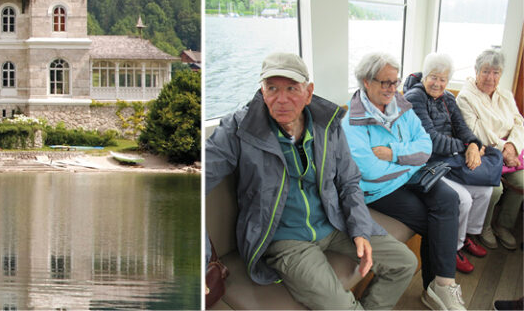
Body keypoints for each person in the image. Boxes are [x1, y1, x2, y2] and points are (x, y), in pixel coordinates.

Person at [206, 51, 416, 310]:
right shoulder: (239, 129)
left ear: (308, 92)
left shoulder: (327, 125)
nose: (281, 99)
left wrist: (360, 228)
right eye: (272, 88)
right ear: (262, 91)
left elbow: (349, 181)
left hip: (333, 221)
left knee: (405, 263)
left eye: (292, 88)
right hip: (286, 239)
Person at [343, 52, 465, 311]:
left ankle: (441, 285)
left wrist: (393, 153)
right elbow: (370, 171)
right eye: (384, 82)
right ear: (366, 81)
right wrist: (409, 159)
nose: (391, 89)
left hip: (413, 175)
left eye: (395, 82)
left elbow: (425, 147)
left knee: (449, 198)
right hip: (381, 190)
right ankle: (437, 289)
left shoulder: (400, 104)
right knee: (437, 221)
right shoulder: (352, 121)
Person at [404, 52, 493, 273]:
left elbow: (461, 127)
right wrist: (464, 147)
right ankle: (453, 247)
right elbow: (430, 140)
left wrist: (473, 142)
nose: (438, 83)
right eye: (433, 77)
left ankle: (467, 237)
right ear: (425, 76)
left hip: (449, 160)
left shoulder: (448, 98)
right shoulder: (415, 98)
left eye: (443, 79)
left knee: (485, 190)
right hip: (427, 163)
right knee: (462, 199)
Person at [455, 48, 524, 251]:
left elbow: (518, 123)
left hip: (509, 151)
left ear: (500, 74)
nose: (490, 78)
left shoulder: (504, 95)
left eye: (495, 72)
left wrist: (513, 146)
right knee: (496, 190)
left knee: (522, 181)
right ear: (476, 72)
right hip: (482, 152)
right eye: (485, 71)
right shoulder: (466, 98)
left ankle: (503, 225)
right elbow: (477, 133)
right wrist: (505, 148)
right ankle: (482, 228)